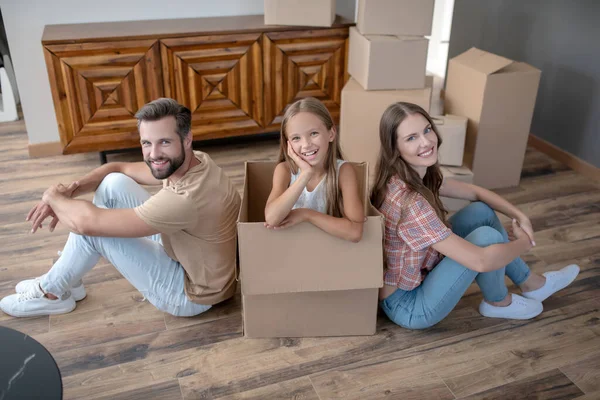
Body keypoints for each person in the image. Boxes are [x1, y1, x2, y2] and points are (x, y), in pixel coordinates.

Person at [0, 98, 240, 318]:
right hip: (193, 256)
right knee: (113, 184)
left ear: (187, 139)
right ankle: (69, 277)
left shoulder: (185, 198)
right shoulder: (194, 159)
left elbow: (86, 223)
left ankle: (50, 292)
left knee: (93, 232)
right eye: (147, 143)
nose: (154, 154)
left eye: (164, 142)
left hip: (193, 293)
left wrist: (52, 196)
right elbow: (117, 168)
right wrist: (69, 191)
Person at [371, 102, 580, 329]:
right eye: (411, 138)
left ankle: (532, 284)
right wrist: (524, 242)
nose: (426, 142)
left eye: (427, 129)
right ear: (395, 148)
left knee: (480, 212)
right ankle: (498, 302)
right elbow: (481, 261)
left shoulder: (409, 174)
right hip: (409, 305)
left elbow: (474, 192)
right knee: (486, 238)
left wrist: (521, 217)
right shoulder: (411, 203)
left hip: (418, 274)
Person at [264, 97, 365, 242]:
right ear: (288, 144)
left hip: (328, 250)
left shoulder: (344, 171)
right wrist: (305, 174)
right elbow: (272, 218)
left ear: (331, 134)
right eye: (296, 138)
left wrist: (306, 215)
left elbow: (355, 233)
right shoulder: (285, 170)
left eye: (313, 134)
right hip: (291, 248)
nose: (306, 144)